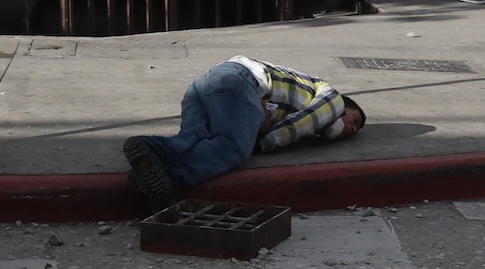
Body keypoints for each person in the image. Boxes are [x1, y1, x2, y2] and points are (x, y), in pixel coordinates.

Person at [124, 56, 367, 214]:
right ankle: (170, 178)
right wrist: (256, 140)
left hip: (204, 85)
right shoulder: (332, 97)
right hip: (239, 81)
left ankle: (151, 155)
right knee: (234, 148)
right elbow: (295, 128)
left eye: (356, 129)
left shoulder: (308, 94)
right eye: (354, 119)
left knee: (195, 141)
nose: (353, 129)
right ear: (344, 107)